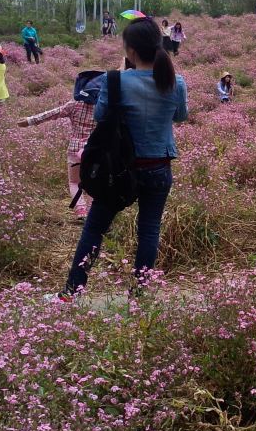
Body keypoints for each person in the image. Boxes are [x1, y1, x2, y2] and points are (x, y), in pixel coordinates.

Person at [53, 17, 188, 301]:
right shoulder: (177, 82)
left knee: (94, 230)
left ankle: (71, 294)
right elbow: (179, 116)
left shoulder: (116, 80)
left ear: (130, 51)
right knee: (149, 231)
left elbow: (101, 117)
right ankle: (139, 296)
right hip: (159, 167)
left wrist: (118, 82)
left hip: (118, 171)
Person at [18, 70, 104, 221]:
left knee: (74, 182)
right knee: (94, 182)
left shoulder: (75, 104)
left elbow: (53, 113)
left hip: (75, 149)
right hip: (95, 151)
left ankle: (81, 211)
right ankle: (92, 213)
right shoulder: (104, 107)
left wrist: (30, 120)